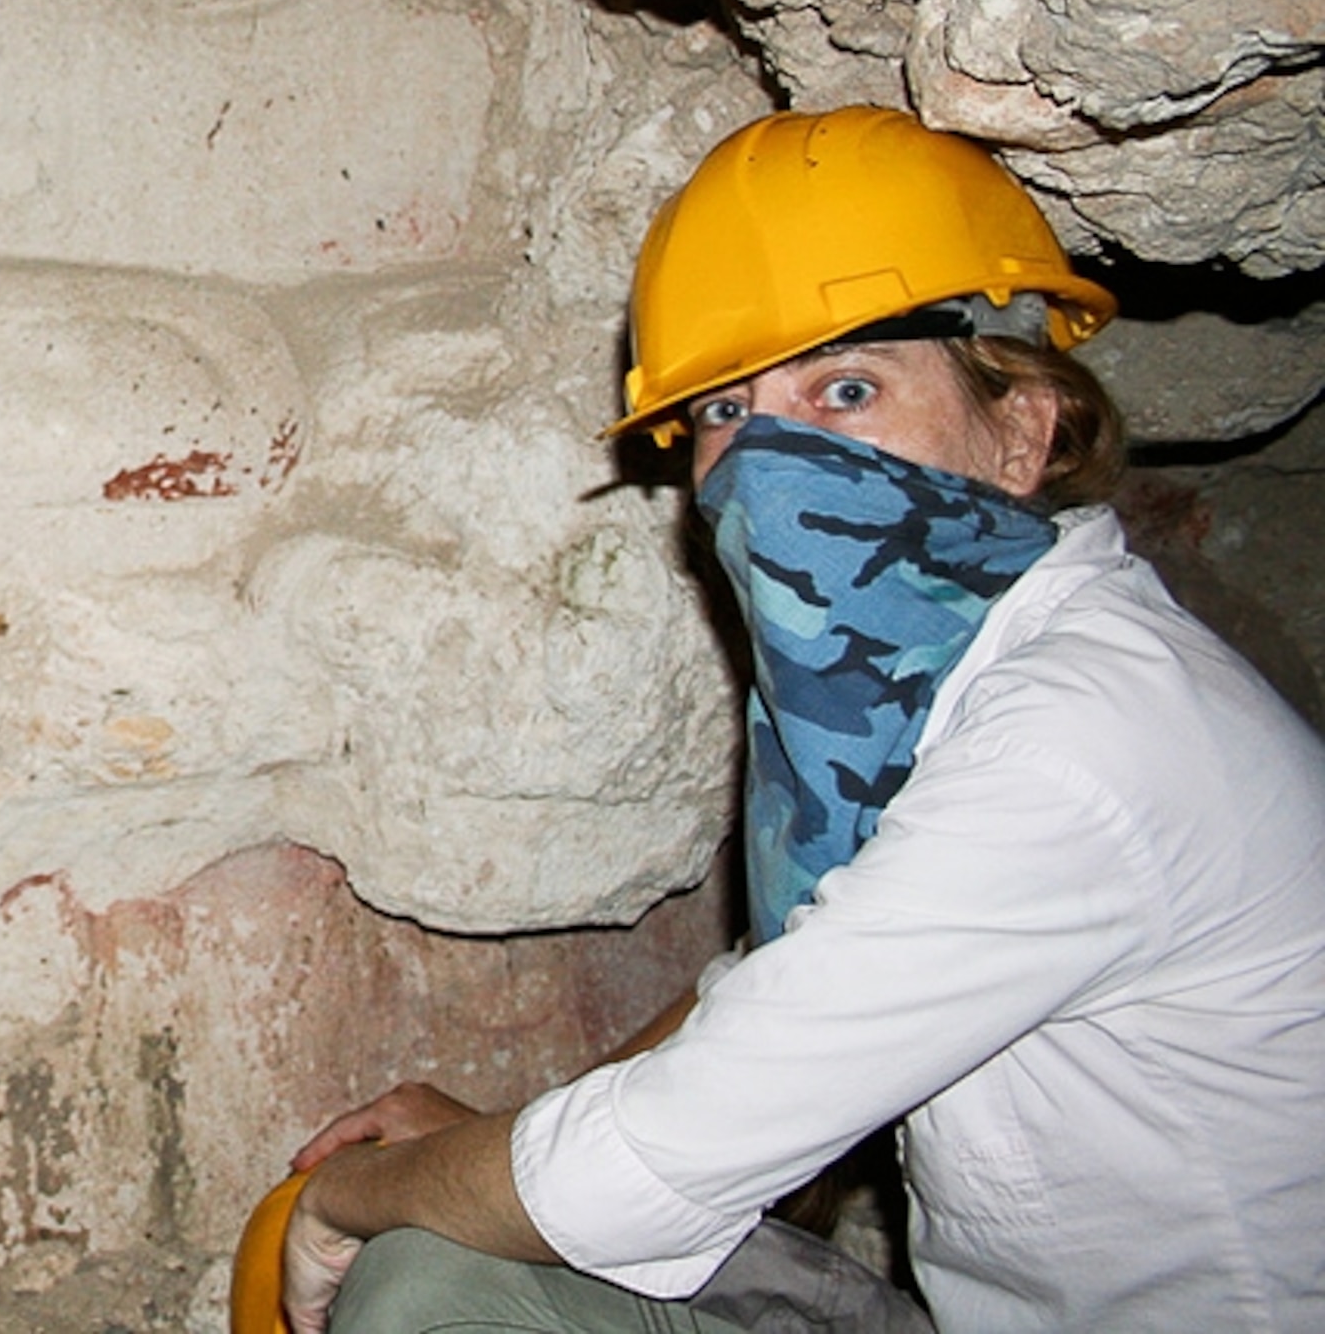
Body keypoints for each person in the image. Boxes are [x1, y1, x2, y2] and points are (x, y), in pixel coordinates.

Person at [269, 106, 1325, 1334]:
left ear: (1022, 432)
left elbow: (657, 1158)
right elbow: (794, 979)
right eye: (725, 412)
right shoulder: (950, 689)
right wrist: (497, 1142)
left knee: (419, 1271)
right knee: (454, 1265)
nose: (772, 464)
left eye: (849, 387)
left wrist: (349, 1197)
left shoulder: (1080, 744)